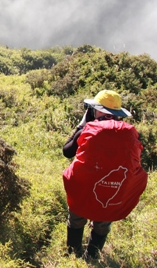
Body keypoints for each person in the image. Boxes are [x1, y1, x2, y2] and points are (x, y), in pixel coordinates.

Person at [62, 90, 147, 259]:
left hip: (84, 185)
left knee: (76, 218)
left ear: (97, 110)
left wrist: (81, 126)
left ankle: (73, 254)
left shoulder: (88, 129)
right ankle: (92, 256)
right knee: (103, 221)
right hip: (113, 188)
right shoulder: (129, 132)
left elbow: (67, 151)